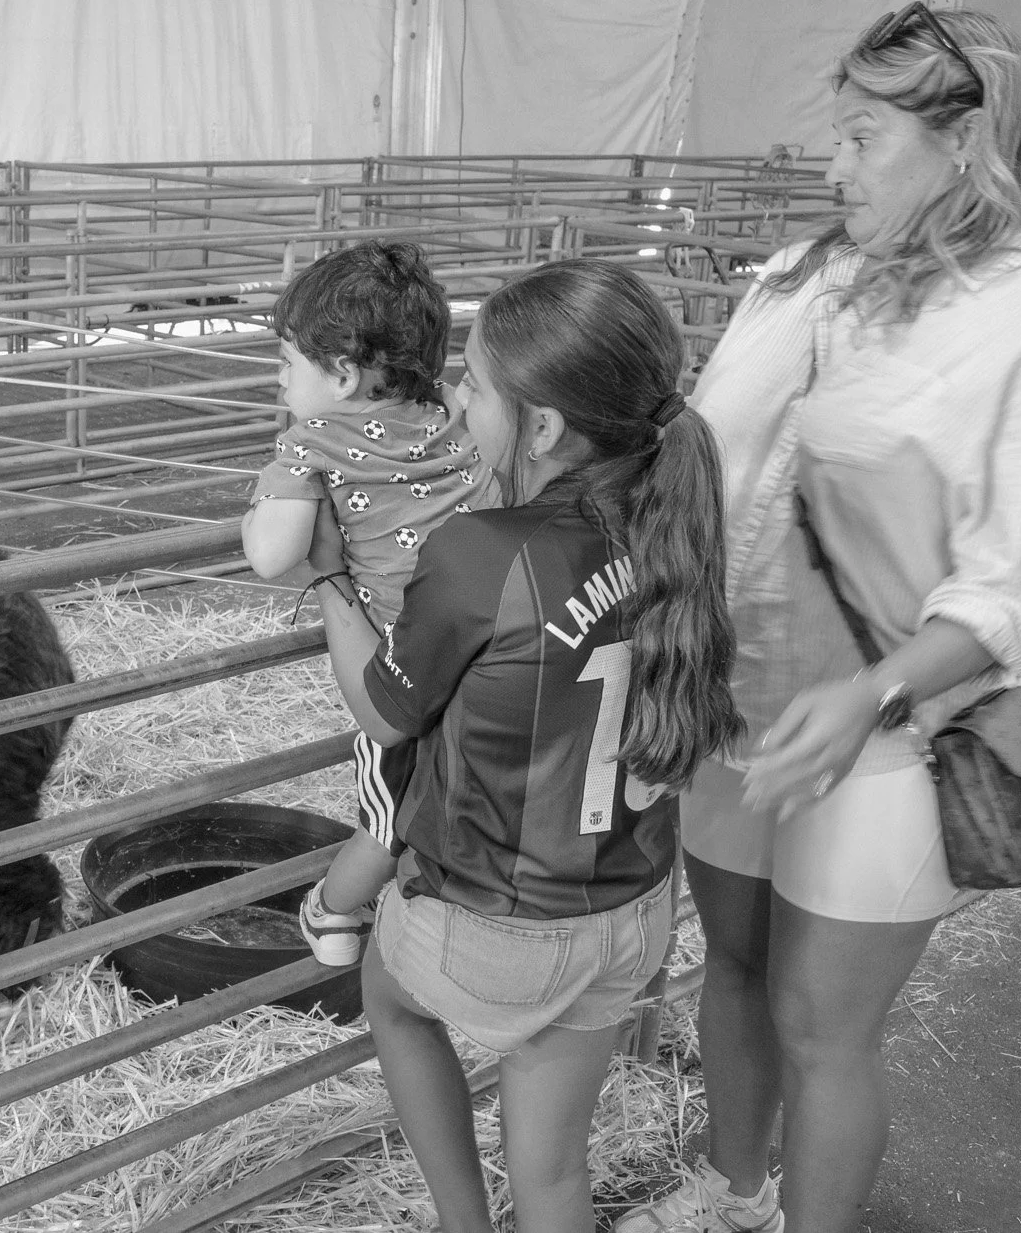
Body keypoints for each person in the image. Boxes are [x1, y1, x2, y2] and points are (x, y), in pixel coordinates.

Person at [617, 8, 1021, 1233]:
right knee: (730, 972)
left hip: (883, 738)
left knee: (823, 1026)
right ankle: (730, 1194)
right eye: (834, 135)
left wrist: (869, 694)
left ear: (965, 144)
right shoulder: (797, 280)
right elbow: (704, 459)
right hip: (730, 710)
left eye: (860, 137)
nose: (831, 167)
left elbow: (1019, 587)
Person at [304, 258, 745, 1233]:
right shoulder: (673, 527)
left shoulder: (481, 553)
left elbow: (384, 713)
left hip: (503, 931)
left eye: (471, 383)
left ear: (539, 426)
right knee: (550, 1175)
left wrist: (335, 583)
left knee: (389, 990)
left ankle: (463, 1221)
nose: (455, 400)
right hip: (629, 918)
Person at [238, 239, 488, 964]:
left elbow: (271, 554)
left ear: (343, 374)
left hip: (404, 663)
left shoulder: (310, 440)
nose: (280, 380)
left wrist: (263, 504)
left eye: (288, 362)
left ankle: (334, 915)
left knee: (387, 809)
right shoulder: (454, 410)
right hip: (486, 638)